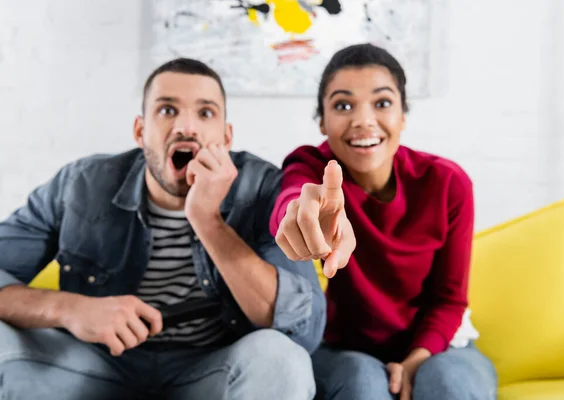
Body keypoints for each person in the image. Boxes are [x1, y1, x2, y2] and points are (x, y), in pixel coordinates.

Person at [0, 58, 325, 399]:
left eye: (205, 113)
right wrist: (68, 309)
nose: (186, 127)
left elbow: (303, 330)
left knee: (281, 358)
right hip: (95, 364)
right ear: (140, 131)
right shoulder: (81, 184)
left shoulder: (262, 189)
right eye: (167, 110)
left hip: (211, 368)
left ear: (226, 137)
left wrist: (207, 220)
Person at [270, 43, 497, 400]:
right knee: (361, 382)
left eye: (382, 103)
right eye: (343, 105)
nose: (363, 120)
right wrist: (297, 214)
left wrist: (415, 360)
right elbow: (293, 197)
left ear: (403, 116)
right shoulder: (313, 167)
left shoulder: (447, 183)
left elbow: (449, 301)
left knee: (450, 383)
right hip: (344, 350)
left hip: (438, 345)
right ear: (322, 122)